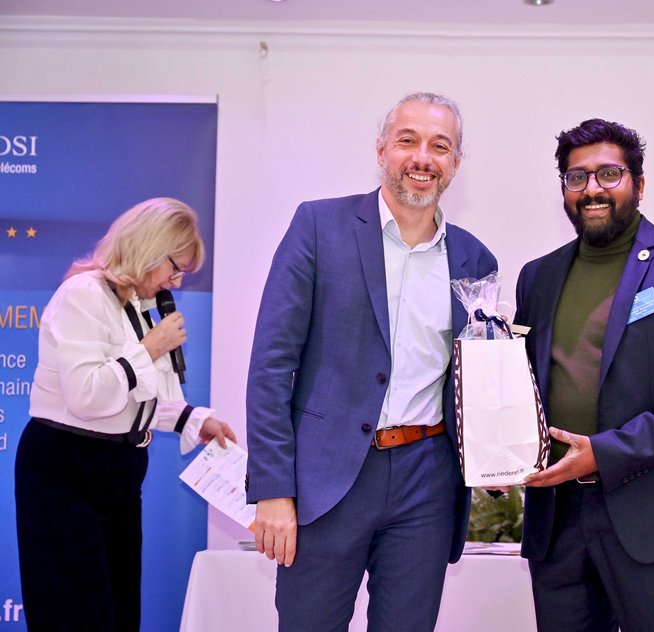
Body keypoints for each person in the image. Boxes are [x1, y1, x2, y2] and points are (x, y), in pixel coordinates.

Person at [246, 92, 497, 631]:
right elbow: (271, 366)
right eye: (408, 140)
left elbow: (477, 381)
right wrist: (272, 487)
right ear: (382, 150)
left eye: (440, 146)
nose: (422, 157)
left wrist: (498, 456)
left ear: (456, 163)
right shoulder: (319, 226)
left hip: (427, 481)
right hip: (326, 479)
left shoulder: (475, 259)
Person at [515, 118, 654, 632]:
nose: (592, 189)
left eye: (608, 174)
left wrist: (605, 453)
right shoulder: (538, 276)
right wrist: (496, 455)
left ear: (639, 183)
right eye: (577, 177)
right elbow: (524, 385)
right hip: (558, 520)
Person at [14, 197, 235, 631]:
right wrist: (150, 348)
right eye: (175, 268)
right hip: (66, 472)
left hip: (118, 475)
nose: (175, 282)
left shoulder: (133, 303)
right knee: (75, 617)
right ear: (149, 249)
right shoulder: (83, 295)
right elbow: (87, 396)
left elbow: (134, 396)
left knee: (118, 614)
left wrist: (191, 419)